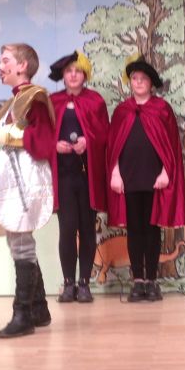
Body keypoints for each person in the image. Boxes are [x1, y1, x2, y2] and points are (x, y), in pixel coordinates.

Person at [0, 43, 55, 338]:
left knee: (21, 241)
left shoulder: (34, 98)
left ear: (22, 66)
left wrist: (13, 135)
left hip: (27, 179)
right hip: (14, 179)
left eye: (6, 61)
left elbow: (45, 142)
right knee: (16, 240)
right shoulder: (16, 100)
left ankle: (22, 314)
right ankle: (39, 308)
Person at [107, 54, 185, 302]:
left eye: (143, 78)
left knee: (152, 229)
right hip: (129, 179)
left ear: (151, 83)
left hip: (154, 179)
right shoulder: (122, 111)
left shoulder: (162, 109)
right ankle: (138, 281)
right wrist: (115, 173)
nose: (139, 82)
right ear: (130, 82)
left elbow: (171, 145)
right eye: (135, 78)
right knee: (135, 230)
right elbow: (113, 146)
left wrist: (166, 172)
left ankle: (152, 280)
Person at [49, 50, 109, 303]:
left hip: (87, 177)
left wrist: (88, 141)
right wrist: (55, 145)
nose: (73, 75)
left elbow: (106, 134)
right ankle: (68, 283)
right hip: (63, 176)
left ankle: (84, 283)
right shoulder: (52, 101)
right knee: (67, 229)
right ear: (63, 75)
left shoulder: (95, 101)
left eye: (78, 71)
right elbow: (43, 134)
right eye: (68, 71)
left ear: (85, 75)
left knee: (87, 229)